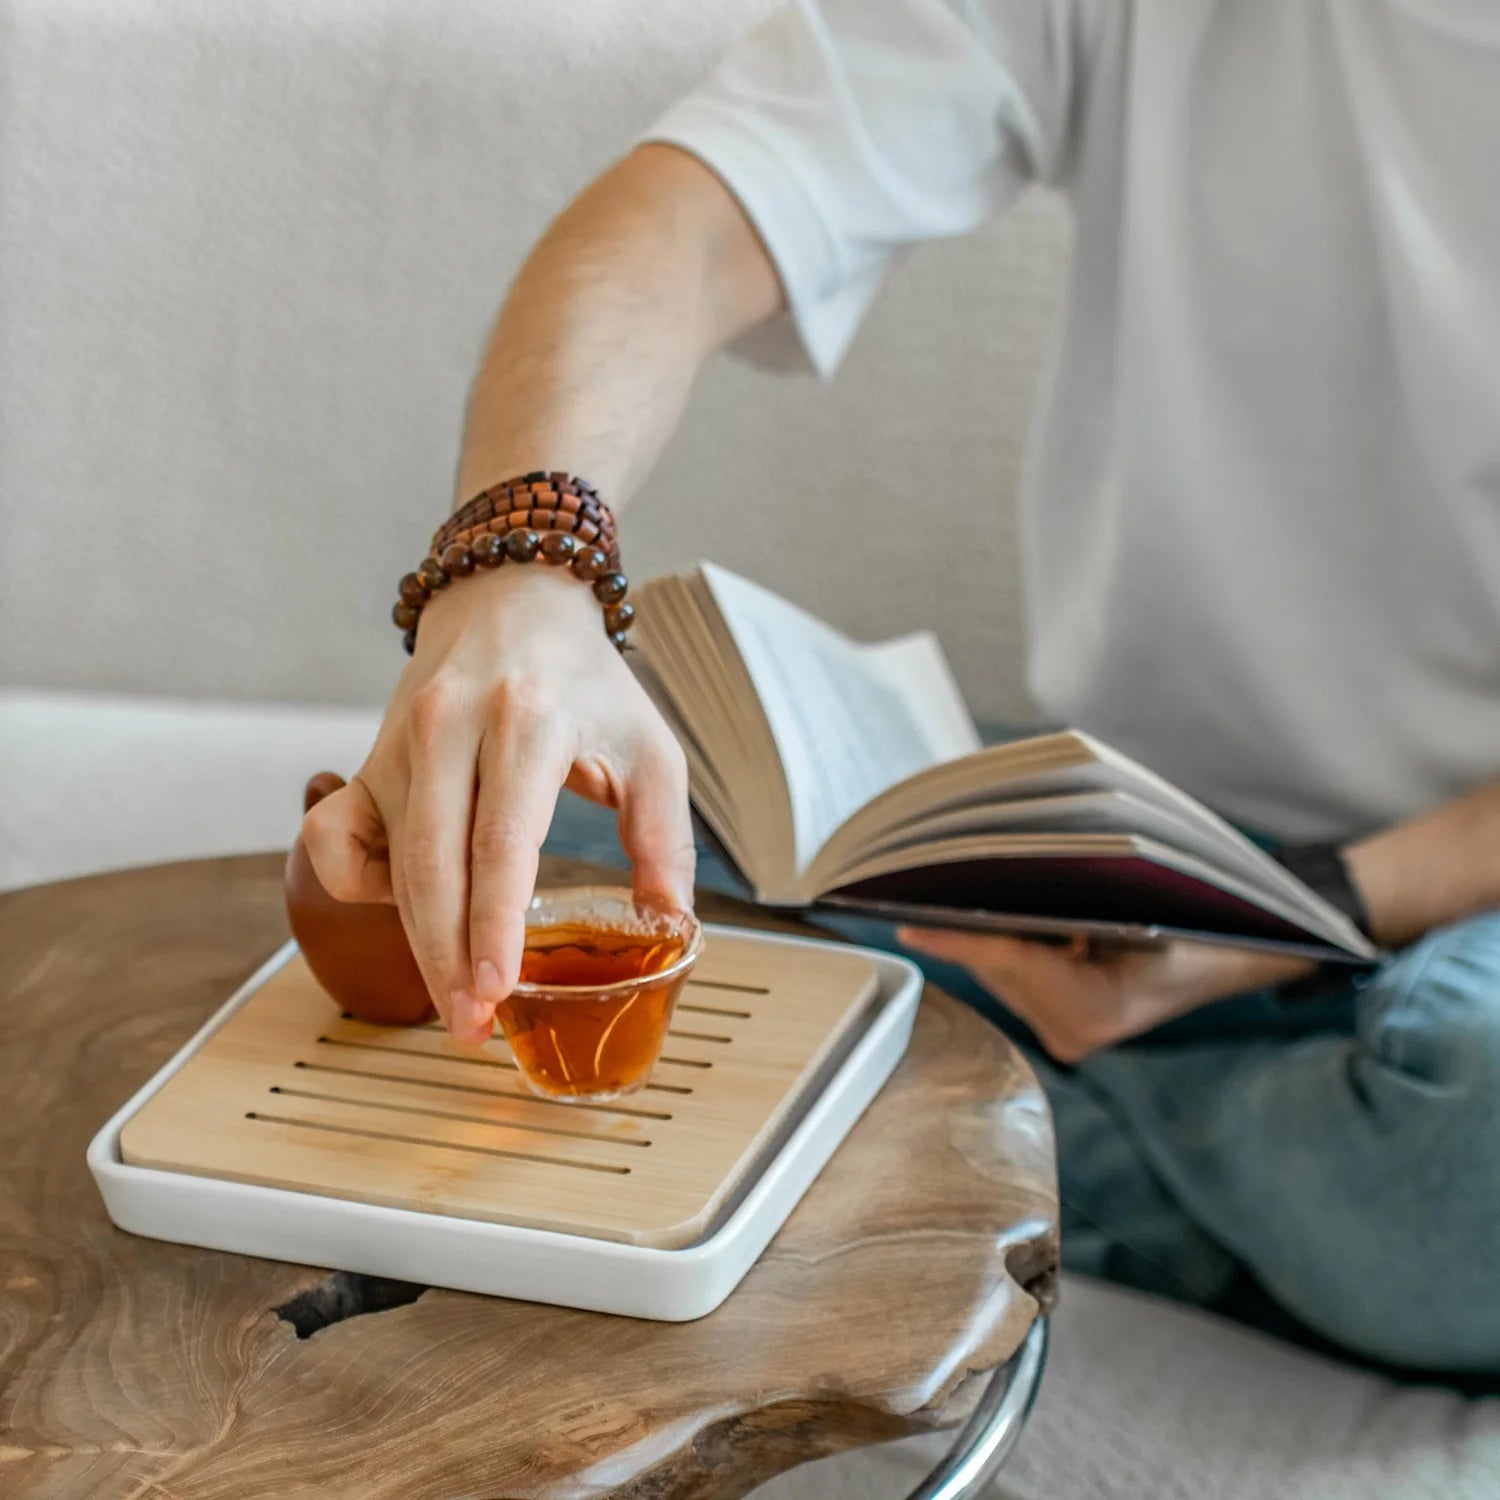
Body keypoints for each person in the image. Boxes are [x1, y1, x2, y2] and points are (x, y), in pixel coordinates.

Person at [301, 0, 1500, 1375]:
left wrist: (1307, 913)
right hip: (1121, 821)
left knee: (1474, 1154)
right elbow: (688, 217)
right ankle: (1204, 1153)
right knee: (503, 827)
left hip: (1452, 898)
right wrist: (521, 569)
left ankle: (943, 1108)